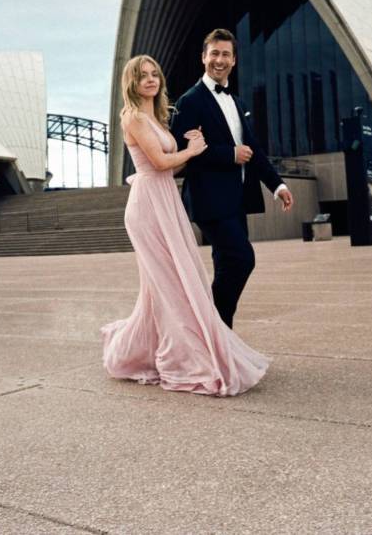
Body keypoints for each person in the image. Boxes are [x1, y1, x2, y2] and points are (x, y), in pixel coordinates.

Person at [101, 54, 270, 396]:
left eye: (154, 74)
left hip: (165, 200)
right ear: (131, 83)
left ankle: (141, 349)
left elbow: (170, 167)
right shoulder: (133, 117)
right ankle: (182, 358)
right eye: (142, 76)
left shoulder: (156, 117)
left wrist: (196, 147)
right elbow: (162, 162)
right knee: (171, 284)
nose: (150, 80)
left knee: (167, 285)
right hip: (148, 206)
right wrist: (193, 150)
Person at [170, 28, 293, 329]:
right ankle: (211, 326)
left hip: (236, 199)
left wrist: (277, 185)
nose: (219, 60)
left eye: (225, 54)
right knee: (242, 259)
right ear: (203, 57)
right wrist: (229, 154)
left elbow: (254, 150)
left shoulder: (236, 103)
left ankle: (217, 338)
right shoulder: (190, 101)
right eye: (214, 53)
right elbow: (181, 152)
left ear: (234, 60)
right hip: (209, 199)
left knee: (227, 266)